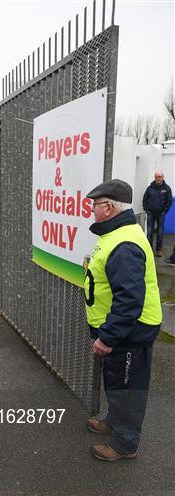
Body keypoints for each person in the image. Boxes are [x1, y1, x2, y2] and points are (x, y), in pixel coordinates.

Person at [84, 179, 162, 461]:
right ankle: (115, 424)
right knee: (117, 381)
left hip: (130, 331)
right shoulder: (117, 234)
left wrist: (108, 337)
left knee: (127, 387)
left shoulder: (124, 243)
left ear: (107, 208)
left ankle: (125, 445)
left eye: (95, 204)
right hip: (122, 330)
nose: (91, 209)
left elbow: (129, 300)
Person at [142, 171, 172, 257]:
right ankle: (149, 248)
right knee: (150, 231)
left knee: (160, 232)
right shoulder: (150, 188)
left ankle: (159, 249)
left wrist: (164, 211)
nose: (158, 178)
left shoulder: (167, 188)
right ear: (154, 178)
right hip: (151, 213)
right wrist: (146, 209)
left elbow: (169, 201)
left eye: (159, 177)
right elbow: (145, 199)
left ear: (163, 177)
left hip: (161, 214)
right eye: (156, 177)